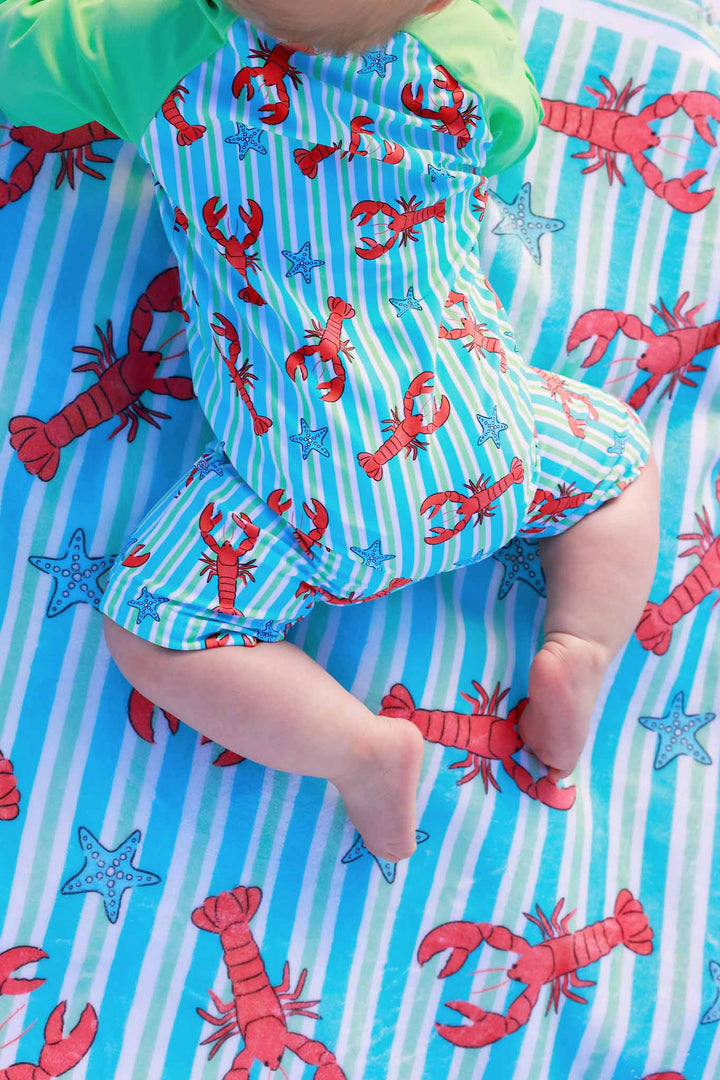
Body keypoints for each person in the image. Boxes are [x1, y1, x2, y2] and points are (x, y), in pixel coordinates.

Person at [0, 0, 660, 862]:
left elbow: (19, 56)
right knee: (622, 463)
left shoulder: (147, 42)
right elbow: (515, 131)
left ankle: (357, 747)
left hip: (304, 504)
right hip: (498, 440)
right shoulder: (459, 45)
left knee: (155, 631)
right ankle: (583, 643)